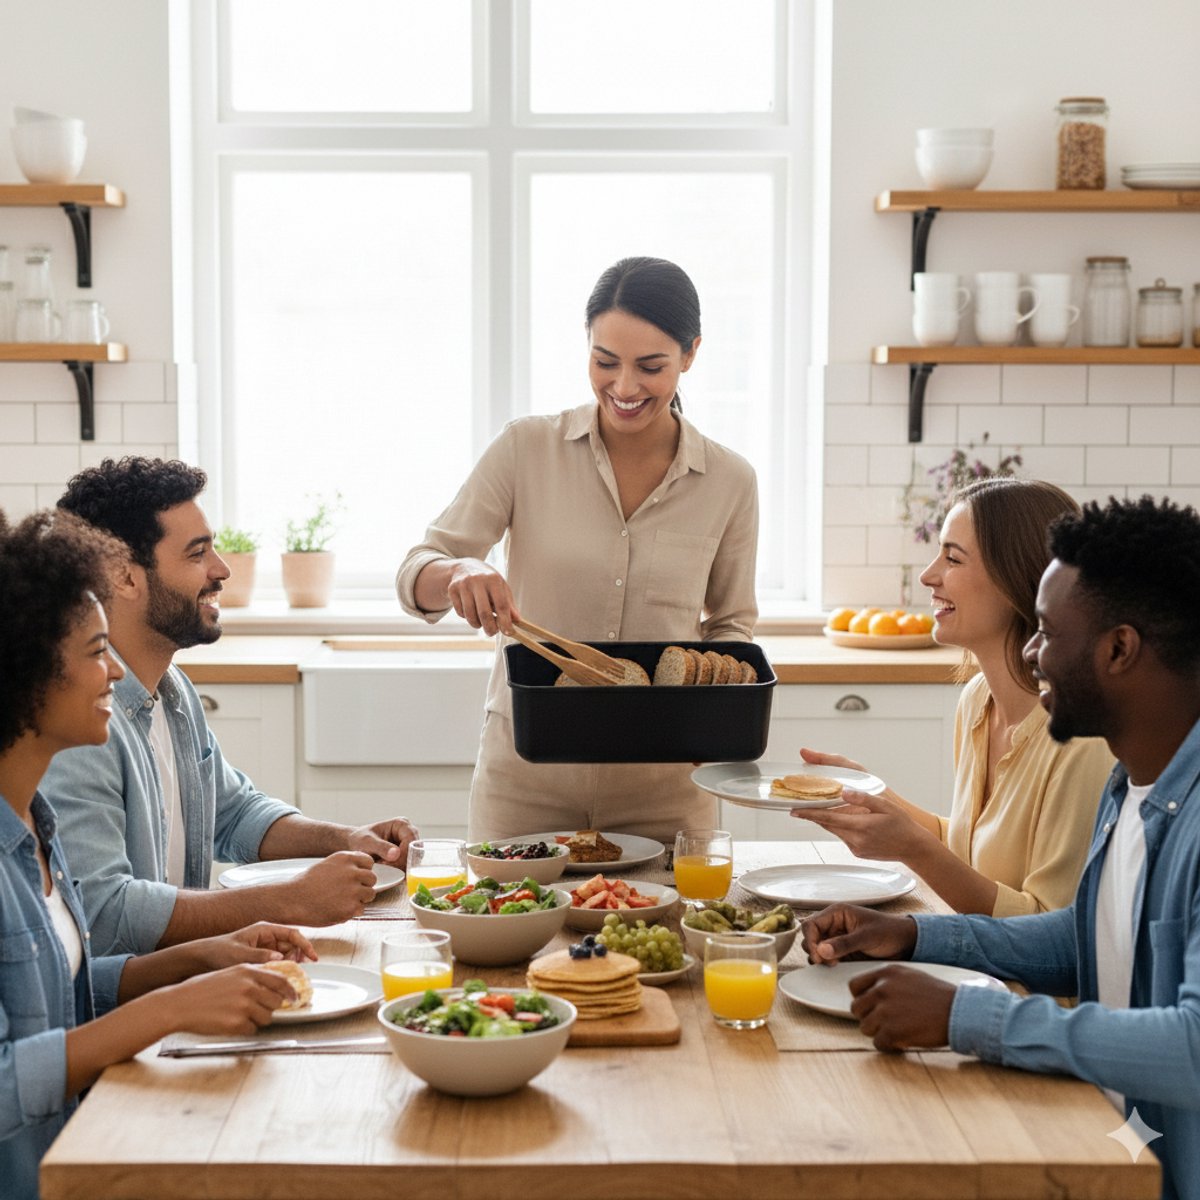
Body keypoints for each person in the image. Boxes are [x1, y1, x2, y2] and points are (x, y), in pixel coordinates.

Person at [800, 495, 1200, 1200]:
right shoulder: (1131, 786)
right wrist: (912, 935)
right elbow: (1086, 936)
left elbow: (1193, 1050)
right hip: (1113, 1142)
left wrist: (966, 1017)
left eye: (1047, 632)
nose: (1033, 652)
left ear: (1119, 649)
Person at [0, 508, 318, 1200]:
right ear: (24, 674)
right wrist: (171, 1008)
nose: (114, 668)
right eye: (93, 651)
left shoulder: (36, 830)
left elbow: (62, 994)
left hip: (94, 1144)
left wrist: (194, 961)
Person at [397, 256, 758, 842]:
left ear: (690, 354)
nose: (624, 387)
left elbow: (731, 627)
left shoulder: (730, 481)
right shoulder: (526, 447)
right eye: (605, 361)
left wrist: (716, 726)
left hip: (665, 790)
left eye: (651, 366)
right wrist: (459, 568)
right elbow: (416, 571)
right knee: (513, 931)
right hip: (526, 779)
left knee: (662, 936)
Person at [40, 457, 420, 956]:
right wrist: (288, 901)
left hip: (183, 980)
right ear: (125, 577)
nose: (222, 570)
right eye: (197, 554)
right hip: (134, 1012)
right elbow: (104, 917)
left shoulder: (172, 692)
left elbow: (233, 813)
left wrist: (346, 838)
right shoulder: (83, 722)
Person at [795, 478, 1113, 916]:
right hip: (973, 966)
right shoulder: (979, 700)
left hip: (1028, 986)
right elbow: (970, 849)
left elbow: (1050, 932)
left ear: (1018, 578)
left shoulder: (1082, 740)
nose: (929, 575)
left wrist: (915, 851)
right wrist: (869, 796)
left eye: (953, 558)